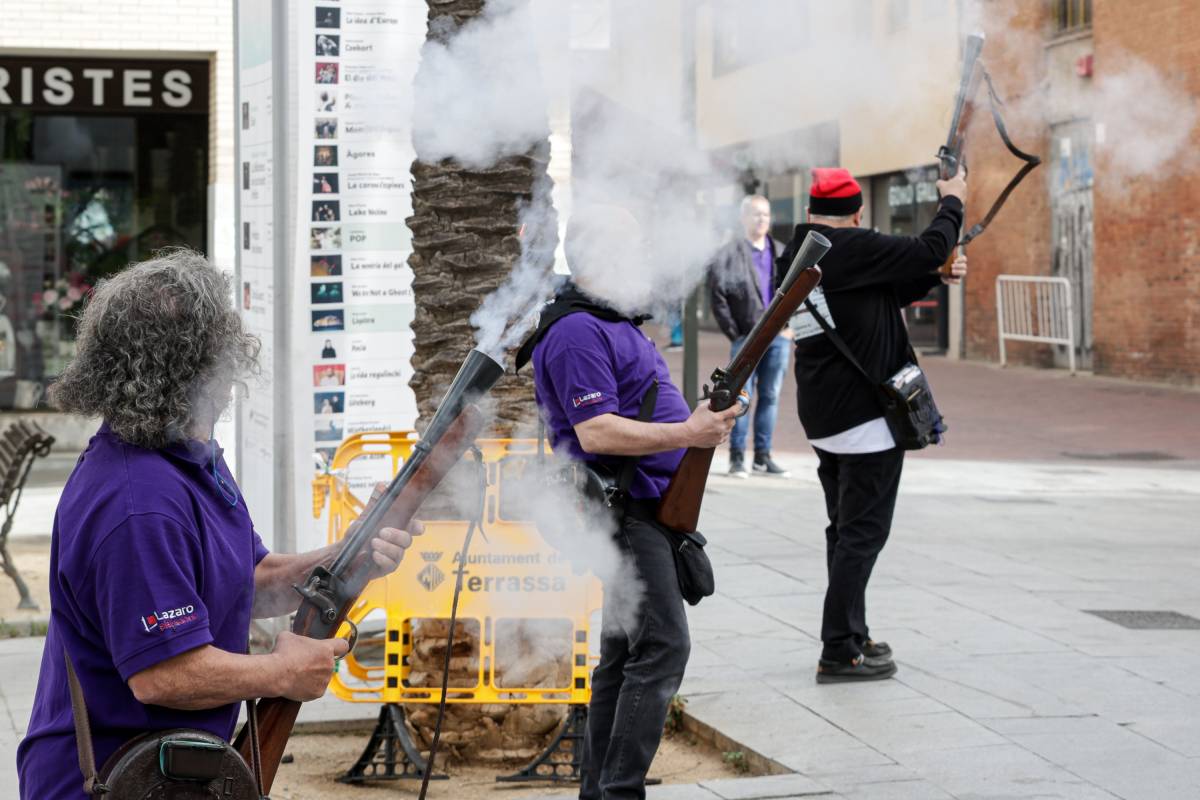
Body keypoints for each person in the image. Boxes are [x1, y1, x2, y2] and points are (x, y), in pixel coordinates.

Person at [17, 250, 418, 799]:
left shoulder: (188, 456)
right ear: (197, 366)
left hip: (168, 776)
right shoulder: (139, 503)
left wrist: (349, 553)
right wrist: (280, 672)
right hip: (110, 783)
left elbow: (247, 582)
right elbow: (162, 675)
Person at [522, 206, 738, 800]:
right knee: (664, 644)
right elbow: (597, 434)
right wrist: (687, 434)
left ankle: (602, 792)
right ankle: (619, 793)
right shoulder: (575, 332)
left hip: (646, 509)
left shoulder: (607, 321)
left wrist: (696, 423)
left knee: (624, 655)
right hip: (624, 514)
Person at [779, 168, 968, 683]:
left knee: (845, 532)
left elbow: (867, 301)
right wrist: (953, 200)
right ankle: (839, 649)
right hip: (863, 418)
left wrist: (936, 275)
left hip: (825, 415)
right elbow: (930, 245)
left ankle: (852, 632)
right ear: (858, 215)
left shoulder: (799, 249)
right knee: (862, 535)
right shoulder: (850, 247)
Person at [708, 195, 790, 478]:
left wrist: (788, 328)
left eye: (766, 215)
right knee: (741, 398)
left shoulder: (781, 252)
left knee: (770, 396)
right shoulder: (729, 254)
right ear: (743, 218)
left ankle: (763, 457)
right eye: (756, 214)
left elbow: (795, 292)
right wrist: (735, 333)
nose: (762, 220)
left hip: (778, 339)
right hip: (746, 337)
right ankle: (737, 458)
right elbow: (717, 296)